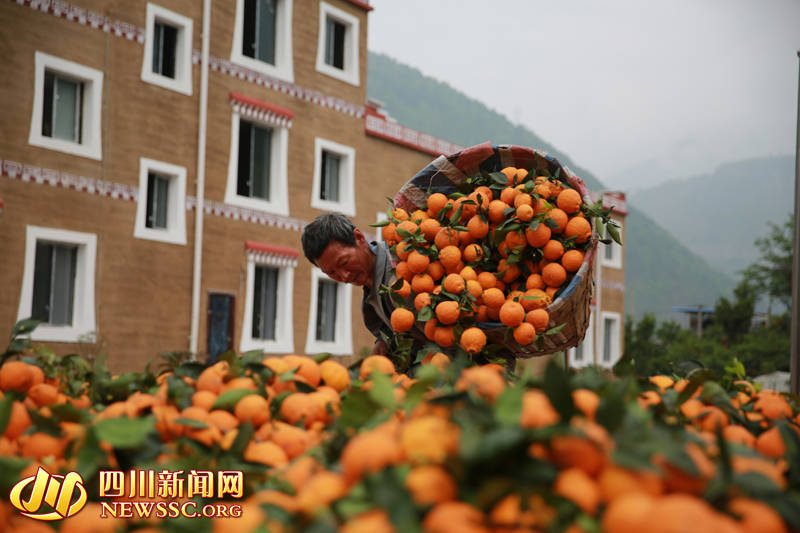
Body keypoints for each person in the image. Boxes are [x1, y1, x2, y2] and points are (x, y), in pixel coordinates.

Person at [300, 212, 426, 358]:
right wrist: (383, 341)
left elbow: (444, 338)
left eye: (344, 262)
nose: (344, 276)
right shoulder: (370, 305)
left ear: (359, 238)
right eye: (331, 272)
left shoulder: (400, 278)